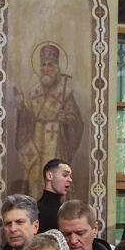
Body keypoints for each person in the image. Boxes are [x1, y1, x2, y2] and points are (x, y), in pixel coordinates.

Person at [13, 44, 83, 197]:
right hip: (36, 149)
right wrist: (20, 106)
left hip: (56, 147)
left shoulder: (66, 93)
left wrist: (66, 121)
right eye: (43, 65)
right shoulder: (34, 91)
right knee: (33, 188)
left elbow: (77, 122)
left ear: (56, 68)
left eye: (49, 65)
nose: (45, 68)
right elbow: (27, 118)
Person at [37, 159, 72, 232]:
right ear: (49, 176)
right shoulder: (35, 210)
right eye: (65, 175)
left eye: (70, 176)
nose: (70, 180)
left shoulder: (65, 211)